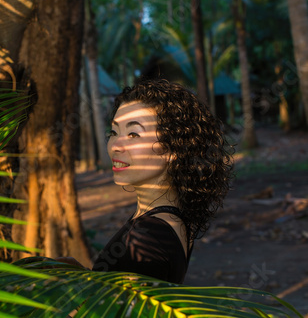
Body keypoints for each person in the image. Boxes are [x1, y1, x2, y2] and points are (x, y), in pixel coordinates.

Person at [87, 78, 234, 283]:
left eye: (133, 134)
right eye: (114, 132)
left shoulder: (147, 238)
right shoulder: (168, 217)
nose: (115, 146)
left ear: (173, 148)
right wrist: (81, 280)